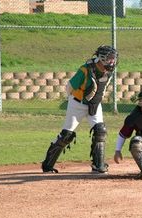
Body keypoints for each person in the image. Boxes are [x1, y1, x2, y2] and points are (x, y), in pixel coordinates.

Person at [41, 45, 118, 174]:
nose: (113, 61)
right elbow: (69, 87)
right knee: (66, 135)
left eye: (114, 58)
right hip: (77, 104)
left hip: (94, 104)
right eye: (110, 58)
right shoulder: (85, 69)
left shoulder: (109, 70)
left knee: (100, 130)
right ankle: (47, 165)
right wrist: (77, 99)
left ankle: (98, 166)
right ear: (102, 58)